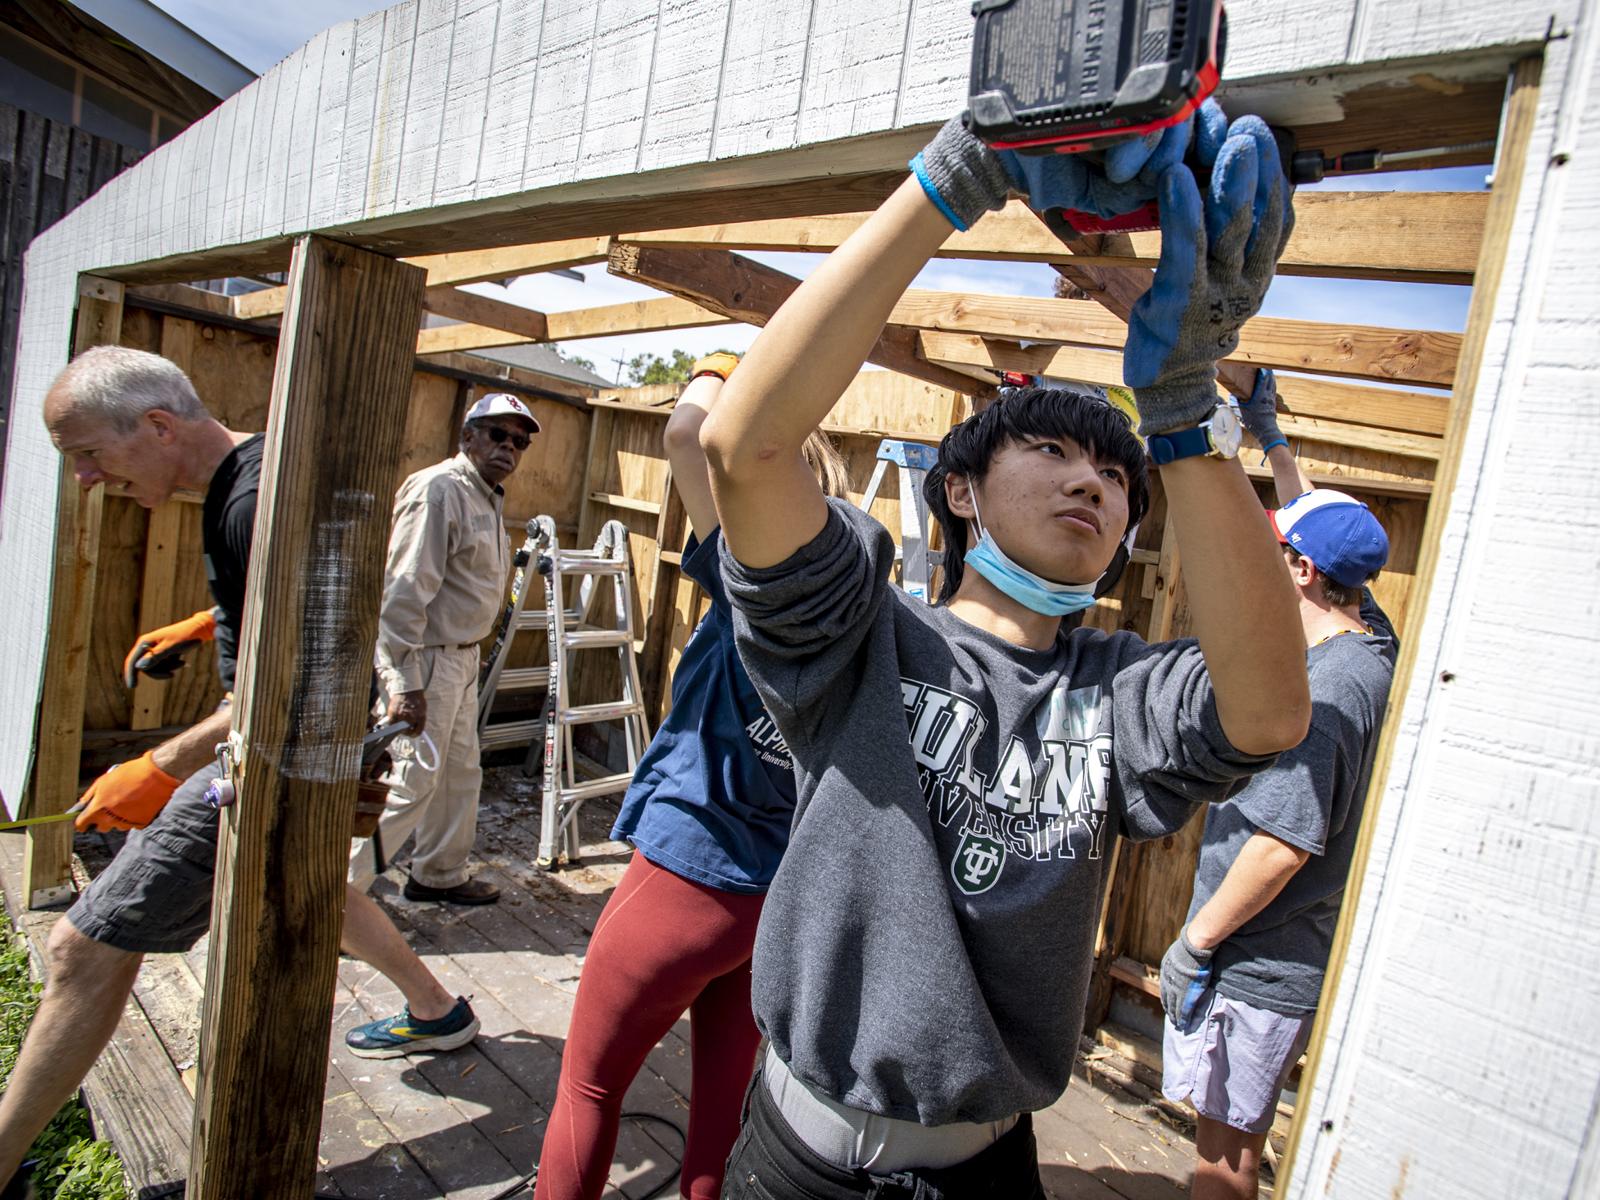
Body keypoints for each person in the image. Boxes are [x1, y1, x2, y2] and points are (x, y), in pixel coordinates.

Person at [702, 101, 1312, 1198]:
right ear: (962, 490)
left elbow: (1268, 712)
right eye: (1051, 449)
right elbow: (743, 447)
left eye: (1119, 475)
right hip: (791, 1159)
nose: (1092, 479)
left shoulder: (1120, 687)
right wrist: (951, 178)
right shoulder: (860, 633)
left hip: (981, 1173)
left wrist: (1183, 411)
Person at [0, 348, 479, 1192]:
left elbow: (305, 685)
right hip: (274, 752)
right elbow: (288, 598)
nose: (83, 478)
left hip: (268, 756)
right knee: (312, 888)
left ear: (157, 426)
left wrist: (155, 766)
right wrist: (203, 625)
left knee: (80, 947)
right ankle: (440, 1010)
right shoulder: (252, 471)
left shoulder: (256, 499)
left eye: (86, 454)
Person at [533, 354, 850, 1200]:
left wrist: (727, 363)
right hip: (765, 901)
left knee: (587, 1087)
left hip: (688, 875)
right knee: (722, 1105)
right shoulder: (854, 611)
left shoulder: (755, 576)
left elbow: (688, 430)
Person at [1158, 369, 1397, 1200]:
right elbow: (1328, 540)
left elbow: (1281, 845)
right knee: (1230, 1140)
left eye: (1273, 547)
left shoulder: (1324, 696)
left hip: (1257, 960)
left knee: (1224, 1159)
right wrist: (1273, 439)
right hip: (1283, 955)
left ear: (1296, 570)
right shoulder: (1374, 646)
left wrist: (1197, 945)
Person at [342, 391, 542, 1054]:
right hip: (426, 659)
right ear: (467, 433)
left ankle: (438, 874)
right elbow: (402, 591)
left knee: (459, 773)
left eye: (519, 440)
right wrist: (401, 682)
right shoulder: (438, 491)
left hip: (459, 658)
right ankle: (338, 900)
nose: (508, 448)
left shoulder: (485, 495)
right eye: (496, 434)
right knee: (410, 782)